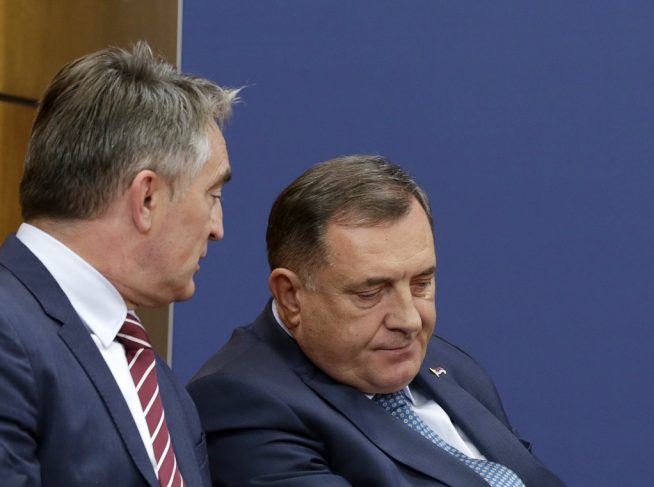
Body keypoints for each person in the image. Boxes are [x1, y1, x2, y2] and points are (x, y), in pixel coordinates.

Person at [188, 155, 566, 486]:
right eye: (370, 293)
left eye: (421, 284)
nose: (409, 320)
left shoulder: (447, 364)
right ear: (291, 296)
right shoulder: (242, 402)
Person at [0, 42, 239, 487]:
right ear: (146, 197)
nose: (217, 228)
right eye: (213, 195)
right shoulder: (9, 331)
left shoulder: (165, 392)